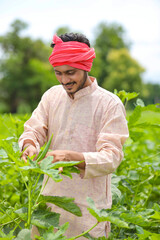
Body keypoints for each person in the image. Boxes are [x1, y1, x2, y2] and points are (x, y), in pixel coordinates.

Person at [19, 33, 129, 239]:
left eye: (70, 73)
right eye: (58, 73)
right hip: (48, 206)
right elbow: (33, 129)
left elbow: (112, 157)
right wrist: (29, 145)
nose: (64, 80)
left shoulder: (109, 103)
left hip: (88, 210)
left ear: (86, 66)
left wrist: (71, 157)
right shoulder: (52, 96)